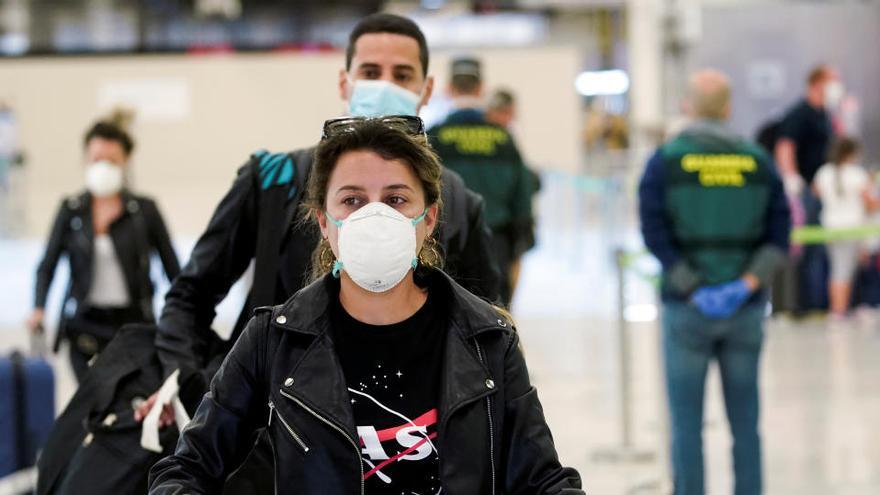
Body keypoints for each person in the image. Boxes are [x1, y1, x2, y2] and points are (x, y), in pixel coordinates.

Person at [148, 117, 584, 494]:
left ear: (429, 218)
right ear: (324, 222)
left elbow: (542, 479)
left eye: (396, 199)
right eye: (352, 200)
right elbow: (187, 469)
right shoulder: (272, 340)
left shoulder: (488, 340)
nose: (374, 218)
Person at [639, 70, 791, 495]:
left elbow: (654, 230)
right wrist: (746, 282)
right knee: (746, 423)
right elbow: (781, 232)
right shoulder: (758, 160)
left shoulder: (667, 160)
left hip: (686, 309)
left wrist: (692, 285)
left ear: (688, 106)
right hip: (745, 311)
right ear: (727, 108)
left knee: (686, 424)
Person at [26, 112, 180, 381]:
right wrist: (39, 308)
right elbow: (47, 266)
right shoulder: (72, 211)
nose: (103, 167)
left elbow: (173, 269)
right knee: (90, 404)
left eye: (112, 160)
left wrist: (183, 316)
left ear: (126, 162)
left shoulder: (144, 211)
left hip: (134, 323)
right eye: (97, 159)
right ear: (86, 159)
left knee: (129, 403)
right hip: (84, 323)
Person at [429, 58, 533, 306]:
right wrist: (522, 239)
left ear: (448, 89)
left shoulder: (434, 137)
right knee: (496, 312)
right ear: (481, 89)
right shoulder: (503, 138)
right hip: (495, 239)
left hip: (445, 240)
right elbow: (522, 194)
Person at [775, 64, 842, 311]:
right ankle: (798, 305)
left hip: (823, 190)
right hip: (805, 192)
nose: (837, 86)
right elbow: (785, 146)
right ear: (816, 83)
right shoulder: (799, 113)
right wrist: (792, 178)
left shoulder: (824, 114)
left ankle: (817, 303)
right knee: (803, 250)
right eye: (832, 80)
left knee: (819, 250)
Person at [812, 137, 879, 318]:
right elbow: (870, 203)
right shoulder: (856, 174)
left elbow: (815, 192)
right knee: (843, 270)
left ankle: (840, 308)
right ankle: (839, 310)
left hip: (830, 227)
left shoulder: (824, 172)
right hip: (852, 228)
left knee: (838, 267)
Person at [485, 87, 541, 299]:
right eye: (502, 113)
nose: (506, 118)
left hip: (507, 224)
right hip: (498, 225)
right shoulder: (500, 140)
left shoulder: (508, 138)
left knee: (507, 279)